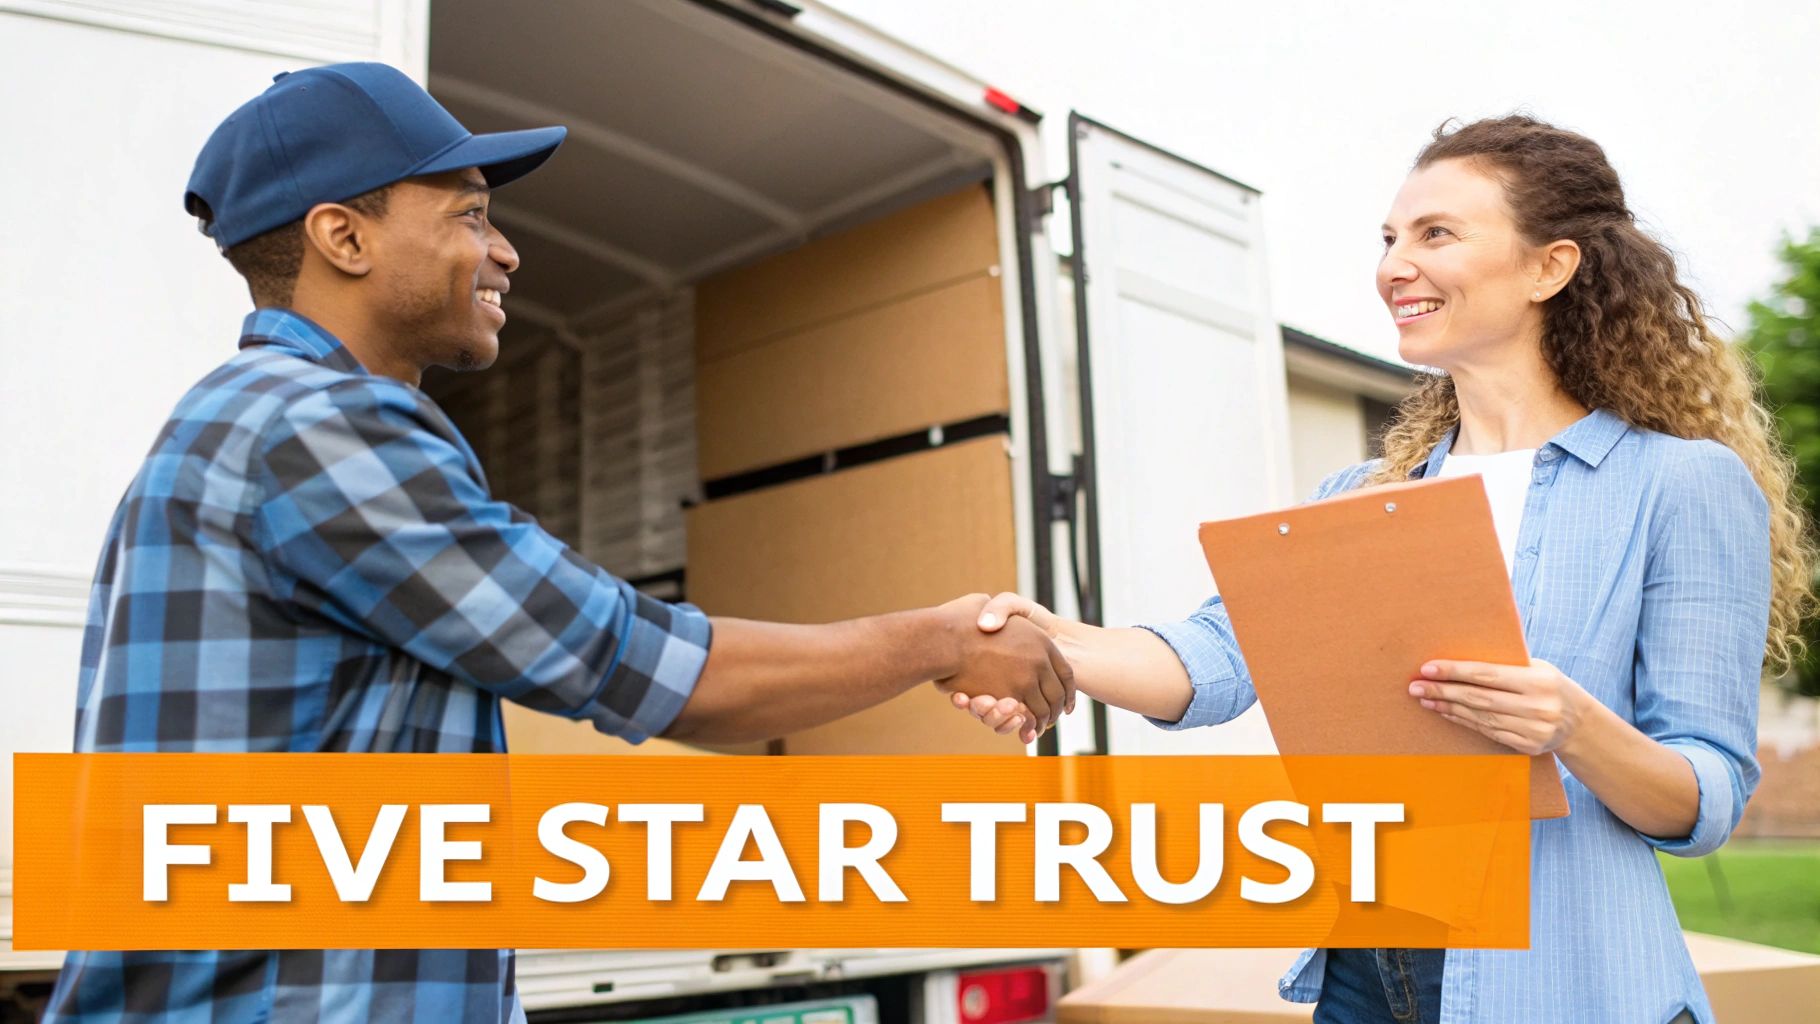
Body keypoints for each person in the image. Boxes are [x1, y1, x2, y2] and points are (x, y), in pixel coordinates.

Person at [46, 63, 1072, 1023]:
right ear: (341, 238)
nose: (505, 250)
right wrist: (942, 640)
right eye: (470, 216)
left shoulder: (256, 418)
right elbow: (640, 664)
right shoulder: (320, 427)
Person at [952, 115, 1815, 1023]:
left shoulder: (1677, 484)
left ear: (1548, 268)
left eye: (1436, 234)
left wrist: (1572, 726)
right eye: (1390, 239)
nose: (1394, 265)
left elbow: (1705, 794)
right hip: (1370, 970)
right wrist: (1050, 643)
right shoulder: (1361, 494)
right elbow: (1213, 661)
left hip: (1566, 982)